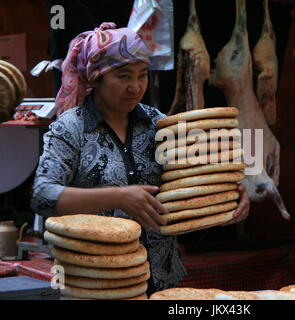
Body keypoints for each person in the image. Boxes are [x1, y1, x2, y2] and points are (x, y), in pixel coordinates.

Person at [31, 23, 250, 294]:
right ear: (96, 78)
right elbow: (42, 196)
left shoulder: (158, 124)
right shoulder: (70, 129)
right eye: (123, 76)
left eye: (142, 75)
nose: (135, 87)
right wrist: (118, 196)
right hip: (97, 282)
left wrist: (229, 192)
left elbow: (200, 172)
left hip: (161, 280)